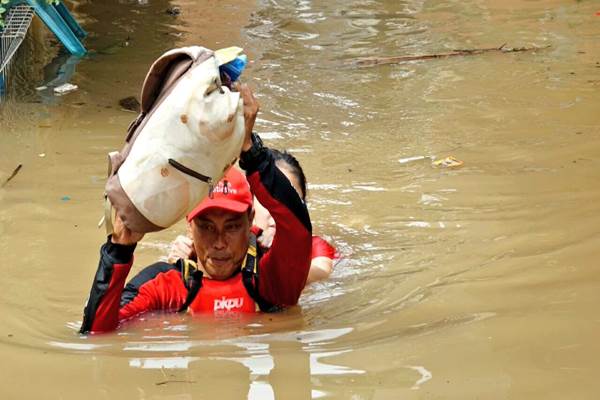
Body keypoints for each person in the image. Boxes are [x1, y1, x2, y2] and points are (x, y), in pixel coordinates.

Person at [80, 85, 312, 334]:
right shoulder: (168, 283)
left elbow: (297, 229)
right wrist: (119, 250)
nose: (219, 243)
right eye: (206, 227)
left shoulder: (271, 279)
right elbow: (97, 333)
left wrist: (251, 152)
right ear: (189, 225)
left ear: (250, 219)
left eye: (232, 226)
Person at [167, 149, 336, 285]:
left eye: (289, 202)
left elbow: (320, 272)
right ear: (251, 205)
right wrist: (184, 265)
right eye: (269, 200)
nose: (277, 211)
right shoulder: (221, 242)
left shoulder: (314, 246)